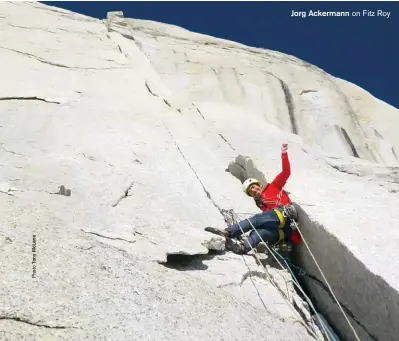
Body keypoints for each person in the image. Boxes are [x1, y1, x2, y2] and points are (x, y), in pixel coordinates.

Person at [206, 143, 301, 254]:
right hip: (282, 231)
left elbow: (286, 172)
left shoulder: (274, 187)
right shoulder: (262, 206)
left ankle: (228, 232)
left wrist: (284, 154)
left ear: (260, 185)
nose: (254, 191)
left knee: (256, 220)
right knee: (258, 232)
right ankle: (243, 247)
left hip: (286, 216)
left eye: (254, 188)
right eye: (251, 192)